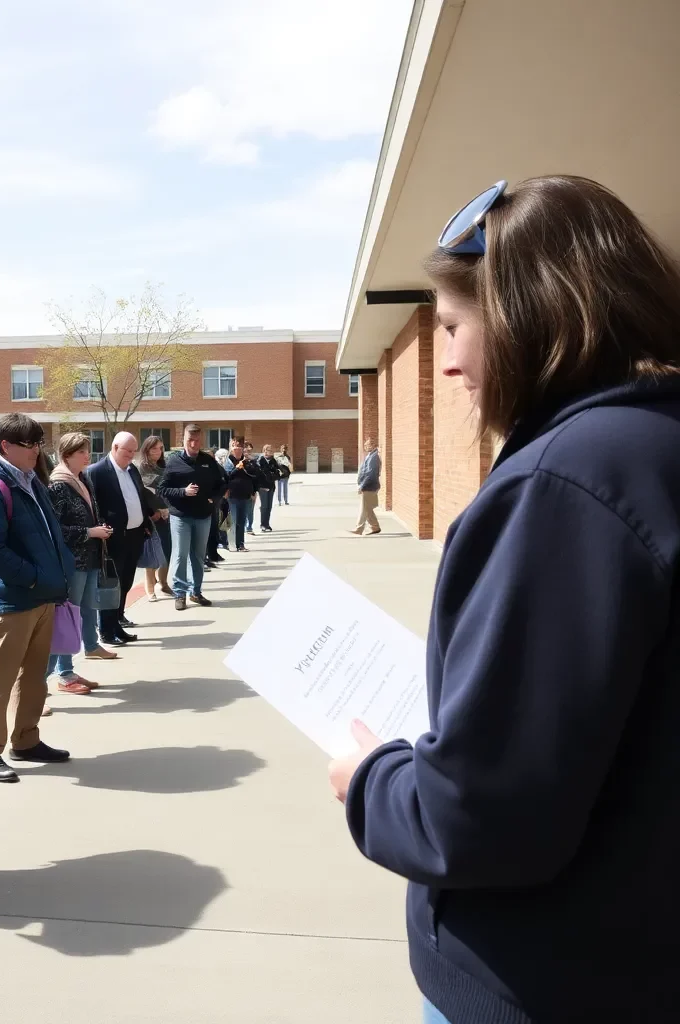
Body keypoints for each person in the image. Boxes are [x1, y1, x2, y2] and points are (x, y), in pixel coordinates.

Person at [331, 176, 680, 1024]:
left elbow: (485, 818)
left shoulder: (563, 485)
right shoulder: (652, 448)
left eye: (453, 326)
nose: (446, 362)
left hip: (550, 975)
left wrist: (371, 781)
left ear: (530, 315)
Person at [0, 413, 75, 783]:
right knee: (2, 675)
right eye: (29, 445)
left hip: (42, 596)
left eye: (38, 443)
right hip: (15, 599)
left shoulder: (31, 481)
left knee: (34, 676)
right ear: (5, 447)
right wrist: (31, 579)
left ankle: (26, 740)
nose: (36, 451)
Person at [46, 432, 115, 691]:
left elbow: (88, 515)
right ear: (66, 456)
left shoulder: (82, 478)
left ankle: (69, 670)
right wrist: (89, 532)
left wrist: (99, 528)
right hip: (73, 562)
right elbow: (56, 530)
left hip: (90, 558)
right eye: (81, 452)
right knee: (67, 619)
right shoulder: (58, 485)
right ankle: (51, 680)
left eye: (88, 450)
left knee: (84, 613)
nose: (88, 455)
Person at [85, 432, 155, 644]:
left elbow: (139, 496)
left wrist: (145, 523)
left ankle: (117, 622)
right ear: (115, 448)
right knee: (111, 585)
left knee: (125, 582)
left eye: (134, 452)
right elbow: (93, 505)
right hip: (113, 538)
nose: (131, 456)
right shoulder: (97, 472)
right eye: (127, 452)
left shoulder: (132, 469)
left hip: (134, 535)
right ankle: (106, 631)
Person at [158, 424, 222, 611]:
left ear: (200, 440)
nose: (193, 444)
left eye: (196, 440)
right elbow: (162, 489)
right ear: (183, 440)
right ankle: (180, 594)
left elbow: (221, 484)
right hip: (181, 517)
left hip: (203, 516)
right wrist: (182, 492)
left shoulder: (208, 461)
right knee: (180, 555)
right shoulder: (173, 461)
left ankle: (196, 591)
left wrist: (214, 500)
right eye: (189, 440)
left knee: (198, 556)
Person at [137, 435, 174, 600]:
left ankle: (164, 583)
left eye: (160, 448)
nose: (158, 452)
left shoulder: (165, 466)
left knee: (167, 550)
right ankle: (150, 588)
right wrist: (153, 511)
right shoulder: (141, 468)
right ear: (146, 449)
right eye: (154, 448)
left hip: (168, 514)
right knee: (152, 552)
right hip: (151, 516)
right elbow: (143, 494)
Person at [223, 436, 259, 552]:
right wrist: (236, 469)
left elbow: (254, 476)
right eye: (233, 445)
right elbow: (226, 477)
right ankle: (231, 544)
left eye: (238, 445)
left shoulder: (247, 461)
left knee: (241, 522)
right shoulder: (228, 461)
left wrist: (253, 491)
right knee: (232, 521)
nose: (236, 448)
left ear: (242, 448)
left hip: (245, 496)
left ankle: (241, 544)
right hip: (232, 496)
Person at [351, 437, 381, 535]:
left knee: (364, 508)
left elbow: (370, 473)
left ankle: (359, 529)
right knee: (367, 508)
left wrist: (362, 486)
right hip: (368, 485)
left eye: (367, 445)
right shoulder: (370, 455)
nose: (365, 447)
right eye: (365, 445)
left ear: (373, 445)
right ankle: (375, 527)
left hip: (369, 486)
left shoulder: (374, 457)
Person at [254, 444, 282, 532]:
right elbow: (260, 474)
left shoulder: (273, 461)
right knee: (264, 506)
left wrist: (274, 474)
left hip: (271, 486)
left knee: (269, 506)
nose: (267, 452)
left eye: (269, 450)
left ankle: (267, 524)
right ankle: (262, 524)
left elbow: (278, 472)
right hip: (263, 486)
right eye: (266, 450)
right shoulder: (260, 461)